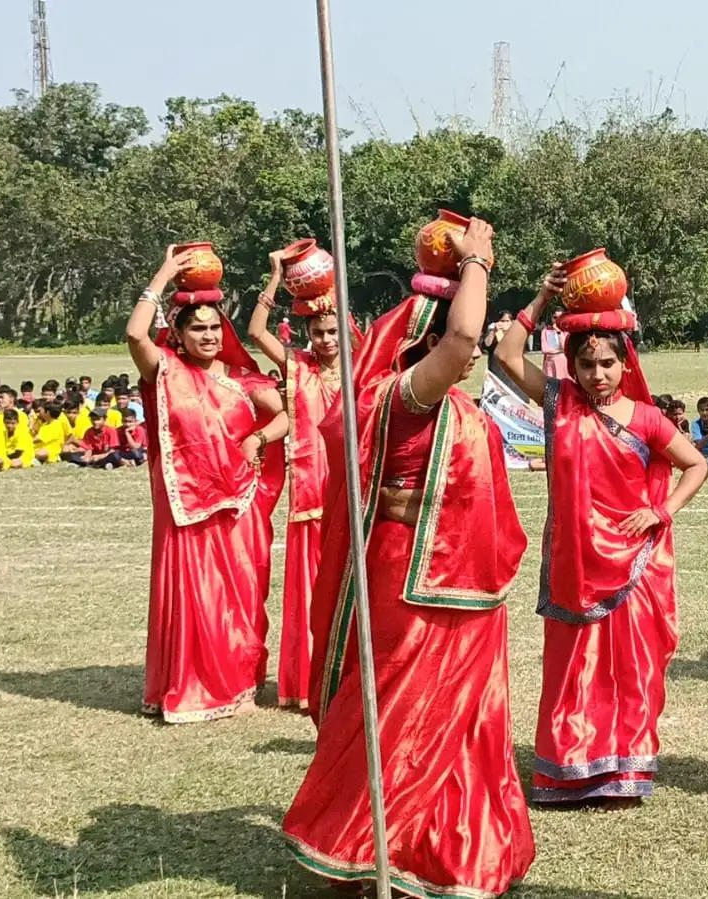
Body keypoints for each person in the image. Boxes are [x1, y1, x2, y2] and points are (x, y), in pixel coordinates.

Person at [285, 218, 536, 897]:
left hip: (466, 589)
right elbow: (461, 342)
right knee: (404, 724)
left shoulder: (448, 402)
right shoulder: (404, 399)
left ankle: (438, 853)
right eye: (448, 338)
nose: (473, 347)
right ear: (420, 343)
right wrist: (478, 264)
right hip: (414, 587)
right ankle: (373, 850)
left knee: (459, 727)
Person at [494, 261, 708, 809]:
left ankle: (624, 773)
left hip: (634, 565)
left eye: (608, 363)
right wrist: (542, 298)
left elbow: (696, 465)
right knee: (572, 670)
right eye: (587, 364)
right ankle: (568, 771)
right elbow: (504, 357)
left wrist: (662, 511)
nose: (598, 375)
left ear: (624, 362)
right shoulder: (558, 403)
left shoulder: (645, 418)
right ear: (574, 365)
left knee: (630, 670)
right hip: (574, 565)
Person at [125, 245, 288, 723]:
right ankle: (191, 683)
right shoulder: (166, 371)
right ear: (177, 333)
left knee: (237, 597)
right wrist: (163, 274)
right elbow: (136, 332)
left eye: (216, 327)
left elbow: (285, 416)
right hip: (186, 507)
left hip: (239, 503)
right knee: (194, 596)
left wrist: (258, 438)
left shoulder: (242, 377)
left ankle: (236, 679)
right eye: (198, 328)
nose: (210, 335)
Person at [250, 247, 354, 712]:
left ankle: (347, 674)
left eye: (333, 332)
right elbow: (255, 332)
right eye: (318, 332)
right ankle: (303, 681)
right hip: (309, 499)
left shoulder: (361, 374)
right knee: (309, 594)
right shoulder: (300, 370)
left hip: (350, 498)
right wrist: (274, 278)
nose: (327, 339)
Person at [540, 308, 570, 378]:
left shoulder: (567, 331)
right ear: (551, 317)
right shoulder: (545, 331)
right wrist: (560, 351)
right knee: (551, 385)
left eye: (560, 317)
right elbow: (544, 349)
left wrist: (559, 332)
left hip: (563, 362)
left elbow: (565, 347)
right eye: (555, 317)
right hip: (549, 363)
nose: (557, 320)